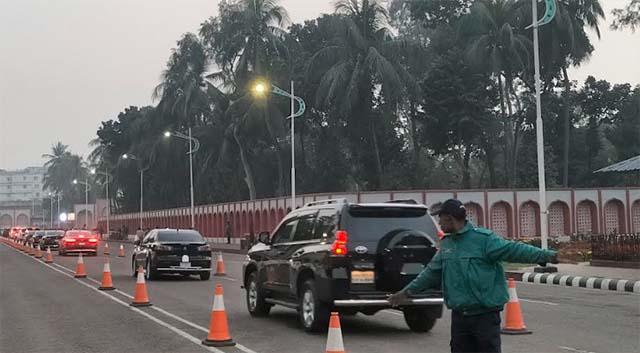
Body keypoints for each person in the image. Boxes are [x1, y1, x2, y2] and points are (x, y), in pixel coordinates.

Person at [389, 199, 560, 353]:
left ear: (449, 218)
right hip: (460, 317)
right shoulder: (448, 244)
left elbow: (514, 250)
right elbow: (430, 273)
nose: (439, 223)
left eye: (440, 218)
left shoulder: (483, 240)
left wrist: (546, 255)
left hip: (484, 316)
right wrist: (406, 293)